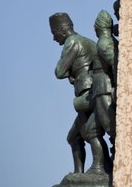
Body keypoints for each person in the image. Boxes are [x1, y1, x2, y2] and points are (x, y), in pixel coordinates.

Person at [50, 13, 111, 174]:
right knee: (75, 136)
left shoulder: (72, 42)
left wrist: (69, 73)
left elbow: (59, 71)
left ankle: (100, 167)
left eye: (54, 33)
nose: (54, 38)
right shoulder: (89, 42)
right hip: (92, 89)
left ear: (61, 30)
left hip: (86, 92)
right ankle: (81, 172)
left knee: (89, 132)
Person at [93, 10, 118, 159]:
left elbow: (114, 62)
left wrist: (118, 87)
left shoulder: (104, 43)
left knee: (110, 126)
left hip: (104, 88)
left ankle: (116, 154)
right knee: (92, 129)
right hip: (102, 87)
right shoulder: (110, 41)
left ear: (97, 27)